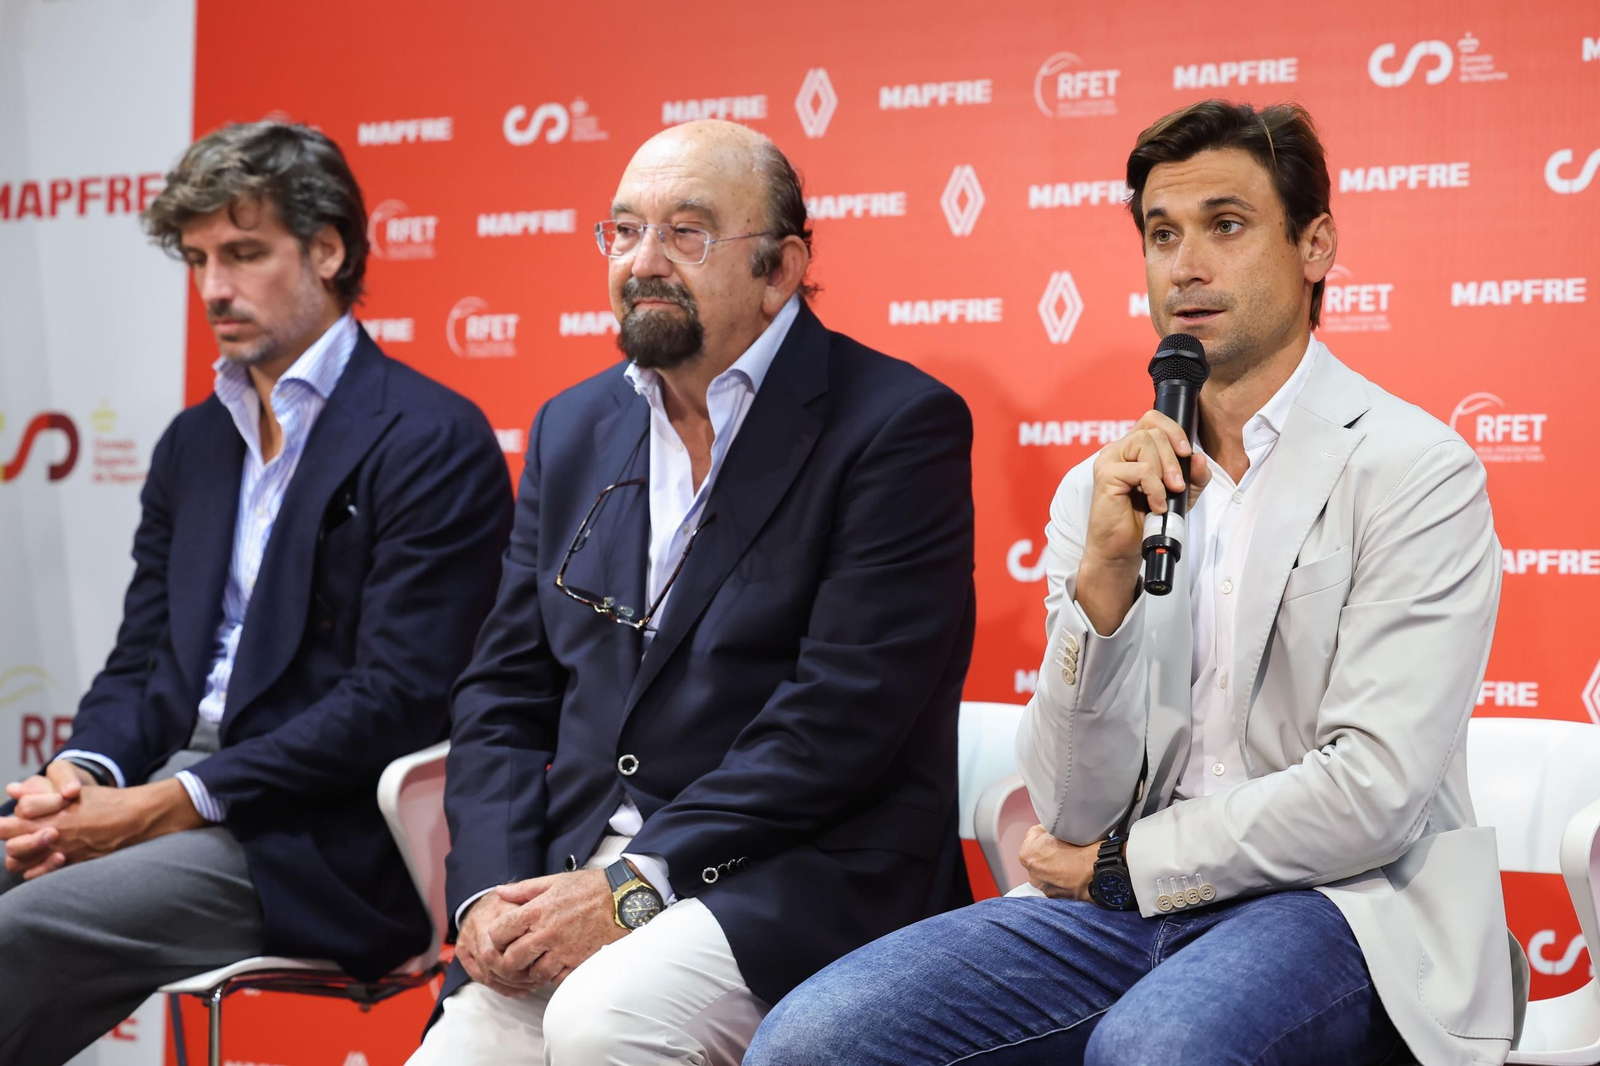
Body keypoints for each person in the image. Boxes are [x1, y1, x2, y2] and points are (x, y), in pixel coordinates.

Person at [747, 100, 1526, 1066]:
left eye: (1226, 226)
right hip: (1119, 901)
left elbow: (1372, 794)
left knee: (1158, 1049)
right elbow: (1072, 806)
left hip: (1350, 904)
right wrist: (1101, 591)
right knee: (807, 1041)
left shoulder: (1415, 468)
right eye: (1162, 234)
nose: (1186, 265)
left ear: (1315, 244)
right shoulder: (1105, 489)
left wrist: (1125, 868)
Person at [409, 119, 976, 1066]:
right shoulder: (573, 426)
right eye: (624, 231)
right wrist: (489, 896)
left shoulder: (894, 426)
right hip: (575, 878)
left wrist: (635, 886)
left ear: (781, 268)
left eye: (686, 233)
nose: (643, 261)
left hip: (793, 877)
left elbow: (841, 718)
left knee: (603, 1025)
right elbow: (503, 693)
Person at [0, 121, 513, 1065]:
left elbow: (393, 702)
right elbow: (145, 665)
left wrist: (164, 804)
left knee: (18, 933)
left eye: (243, 253)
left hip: (323, 838)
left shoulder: (432, 439)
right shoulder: (194, 444)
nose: (214, 290)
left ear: (328, 250)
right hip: (168, 801)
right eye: (198, 259)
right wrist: (86, 776)